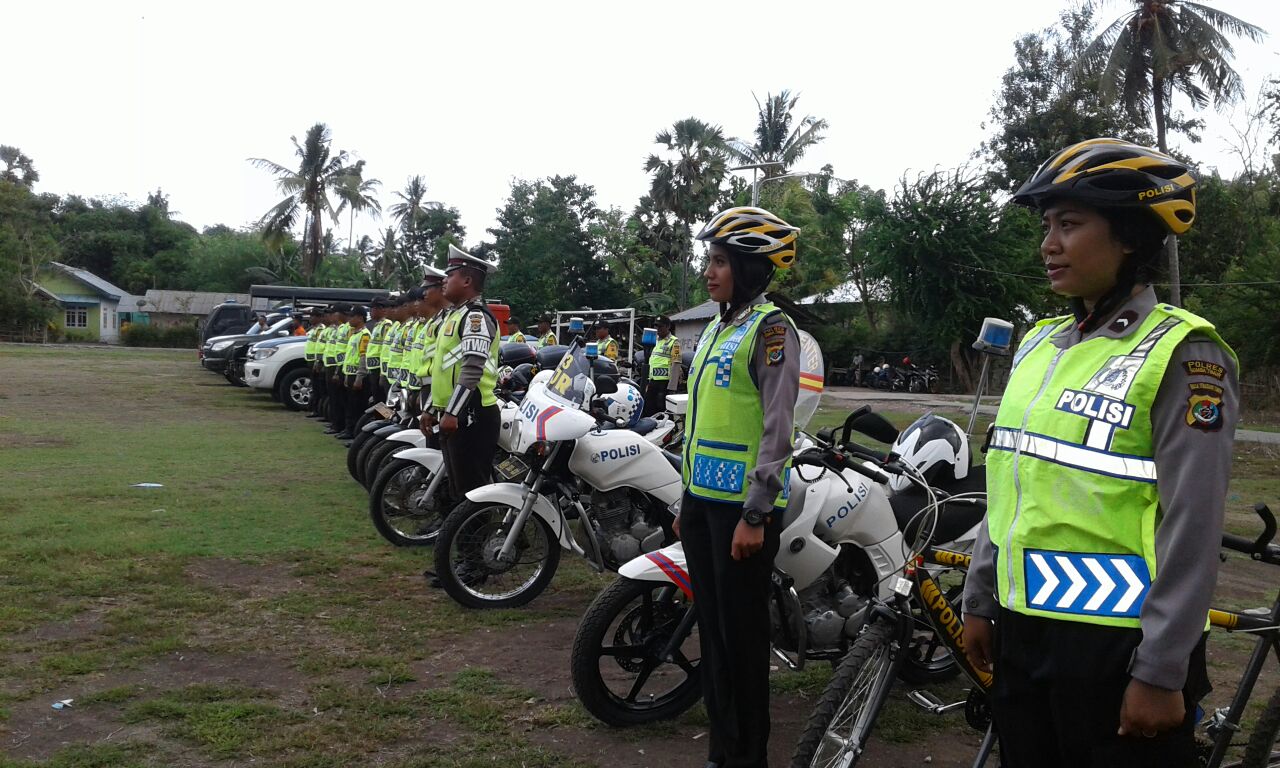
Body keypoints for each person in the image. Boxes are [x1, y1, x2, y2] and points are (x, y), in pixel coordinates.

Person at [960, 139, 1239, 768]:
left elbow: (1193, 523)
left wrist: (1163, 670)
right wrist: (980, 598)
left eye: (1071, 224)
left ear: (1131, 237)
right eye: (1047, 226)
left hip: (1120, 651)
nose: (1049, 244)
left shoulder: (1184, 353)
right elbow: (1010, 482)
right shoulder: (1040, 346)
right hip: (1023, 637)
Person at [673, 206, 800, 768]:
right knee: (714, 638)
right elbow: (702, 425)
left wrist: (756, 512)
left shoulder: (772, 330)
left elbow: (778, 428)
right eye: (710, 260)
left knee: (743, 645)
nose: (709, 271)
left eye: (721, 261)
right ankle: (723, 751)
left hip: (742, 515)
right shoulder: (718, 329)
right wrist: (686, 501)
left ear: (750, 269)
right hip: (703, 506)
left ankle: (749, 757)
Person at [431, 245, 501, 500]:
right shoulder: (454, 316)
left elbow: (472, 367)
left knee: (472, 490)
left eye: (450, 276)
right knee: (457, 485)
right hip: (454, 412)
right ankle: (460, 537)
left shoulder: (475, 318)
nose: (444, 281)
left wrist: (452, 412)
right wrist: (432, 408)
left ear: (467, 280)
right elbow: (442, 370)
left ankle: (477, 538)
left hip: (472, 413)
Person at [413, 266, 450, 448]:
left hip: (439, 388)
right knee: (431, 439)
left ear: (441, 289)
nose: (424, 293)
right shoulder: (436, 320)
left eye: (428, 289)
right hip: (429, 385)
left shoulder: (447, 320)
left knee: (437, 442)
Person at [338, 305, 372, 440]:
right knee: (350, 405)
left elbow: (363, 357)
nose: (349, 320)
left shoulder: (364, 335)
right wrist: (347, 375)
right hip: (350, 374)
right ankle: (349, 430)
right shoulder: (354, 334)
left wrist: (359, 377)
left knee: (358, 407)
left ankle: (356, 435)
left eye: (352, 316)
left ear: (359, 318)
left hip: (359, 377)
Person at [643, 315, 681, 417]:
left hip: (664, 383)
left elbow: (676, 363)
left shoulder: (674, 341)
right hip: (653, 381)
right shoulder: (655, 340)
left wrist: (672, 387)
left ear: (668, 327)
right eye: (656, 326)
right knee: (648, 409)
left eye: (661, 326)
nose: (658, 329)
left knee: (663, 411)